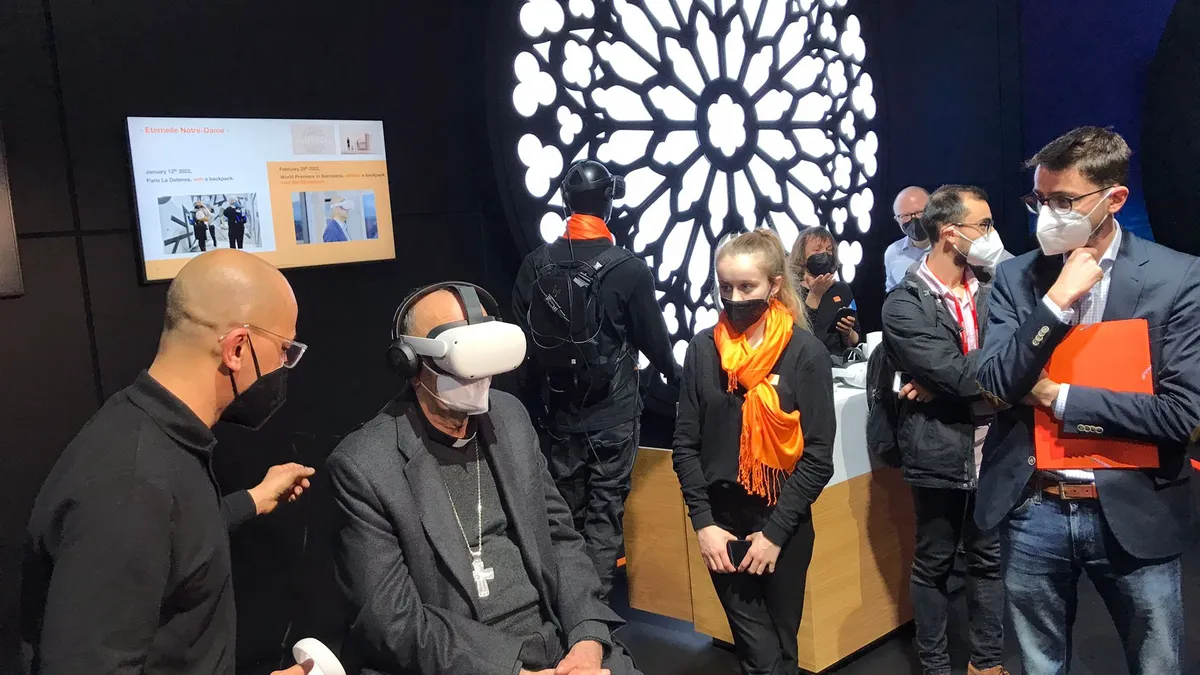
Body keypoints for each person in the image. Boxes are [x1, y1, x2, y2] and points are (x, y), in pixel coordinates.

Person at [22, 250, 316, 675]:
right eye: (285, 350)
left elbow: (172, 540)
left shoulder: (150, 433)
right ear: (236, 349)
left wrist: (251, 501)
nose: (285, 366)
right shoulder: (131, 479)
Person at [328, 282, 642, 675]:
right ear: (408, 362)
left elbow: (560, 539)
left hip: (559, 642)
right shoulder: (365, 466)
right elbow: (393, 623)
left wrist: (587, 640)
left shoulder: (509, 417)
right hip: (468, 661)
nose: (478, 376)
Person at [976, 126, 1200, 675]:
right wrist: (1055, 303)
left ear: (1114, 198)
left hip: (1134, 502)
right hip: (1034, 505)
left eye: (1063, 201)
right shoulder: (1016, 277)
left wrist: (1058, 396)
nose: (1046, 214)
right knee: (1039, 663)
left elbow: (1180, 415)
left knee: (1156, 661)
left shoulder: (1176, 277)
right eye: (1039, 200)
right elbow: (998, 383)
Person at [511, 159, 680, 600]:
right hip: (613, 413)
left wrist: (537, 409)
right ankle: (595, 617)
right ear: (608, 202)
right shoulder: (628, 269)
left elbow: (524, 346)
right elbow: (655, 343)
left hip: (558, 415)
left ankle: (568, 610)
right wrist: (678, 381)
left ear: (566, 201)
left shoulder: (534, 265)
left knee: (565, 516)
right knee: (604, 514)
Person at [673, 229, 835, 675]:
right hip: (722, 525)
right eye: (726, 287)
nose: (734, 298)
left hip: (783, 520)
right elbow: (685, 445)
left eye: (747, 287)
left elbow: (818, 456)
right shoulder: (702, 349)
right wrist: (704, 524)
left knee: (782, 648)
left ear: (774, 285)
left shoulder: (805, 353)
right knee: (759, 652)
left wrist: (775, 534)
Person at [881, 185, 1009, 675]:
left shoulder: (993, 285)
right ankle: (936, 666)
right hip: (937, 447)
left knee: (987, 559)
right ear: (952, 234)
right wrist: (957, 378)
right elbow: (963, 374)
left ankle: (987, 663)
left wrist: (945, 381)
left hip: (993, 445)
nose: (992, 234)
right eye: (985, 225)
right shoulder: (905, 301)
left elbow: (1020, 354)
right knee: (934, 562)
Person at [789, 227, 859, 357]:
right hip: (805, 362)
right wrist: (815, 296)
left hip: (837, 363)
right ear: (801, 255)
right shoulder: (790, 291)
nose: (824, 254)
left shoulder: (841, 289)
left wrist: (848, 333)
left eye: (829, 250)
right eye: (817, 250)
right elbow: (795, 336)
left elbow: (855, 339)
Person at [884, 186, 931, 292]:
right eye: (905, 215)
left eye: (920, 212)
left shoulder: (951, 246)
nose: (914, 219)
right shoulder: (893, 252)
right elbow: (892, 293)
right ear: (897, 219)